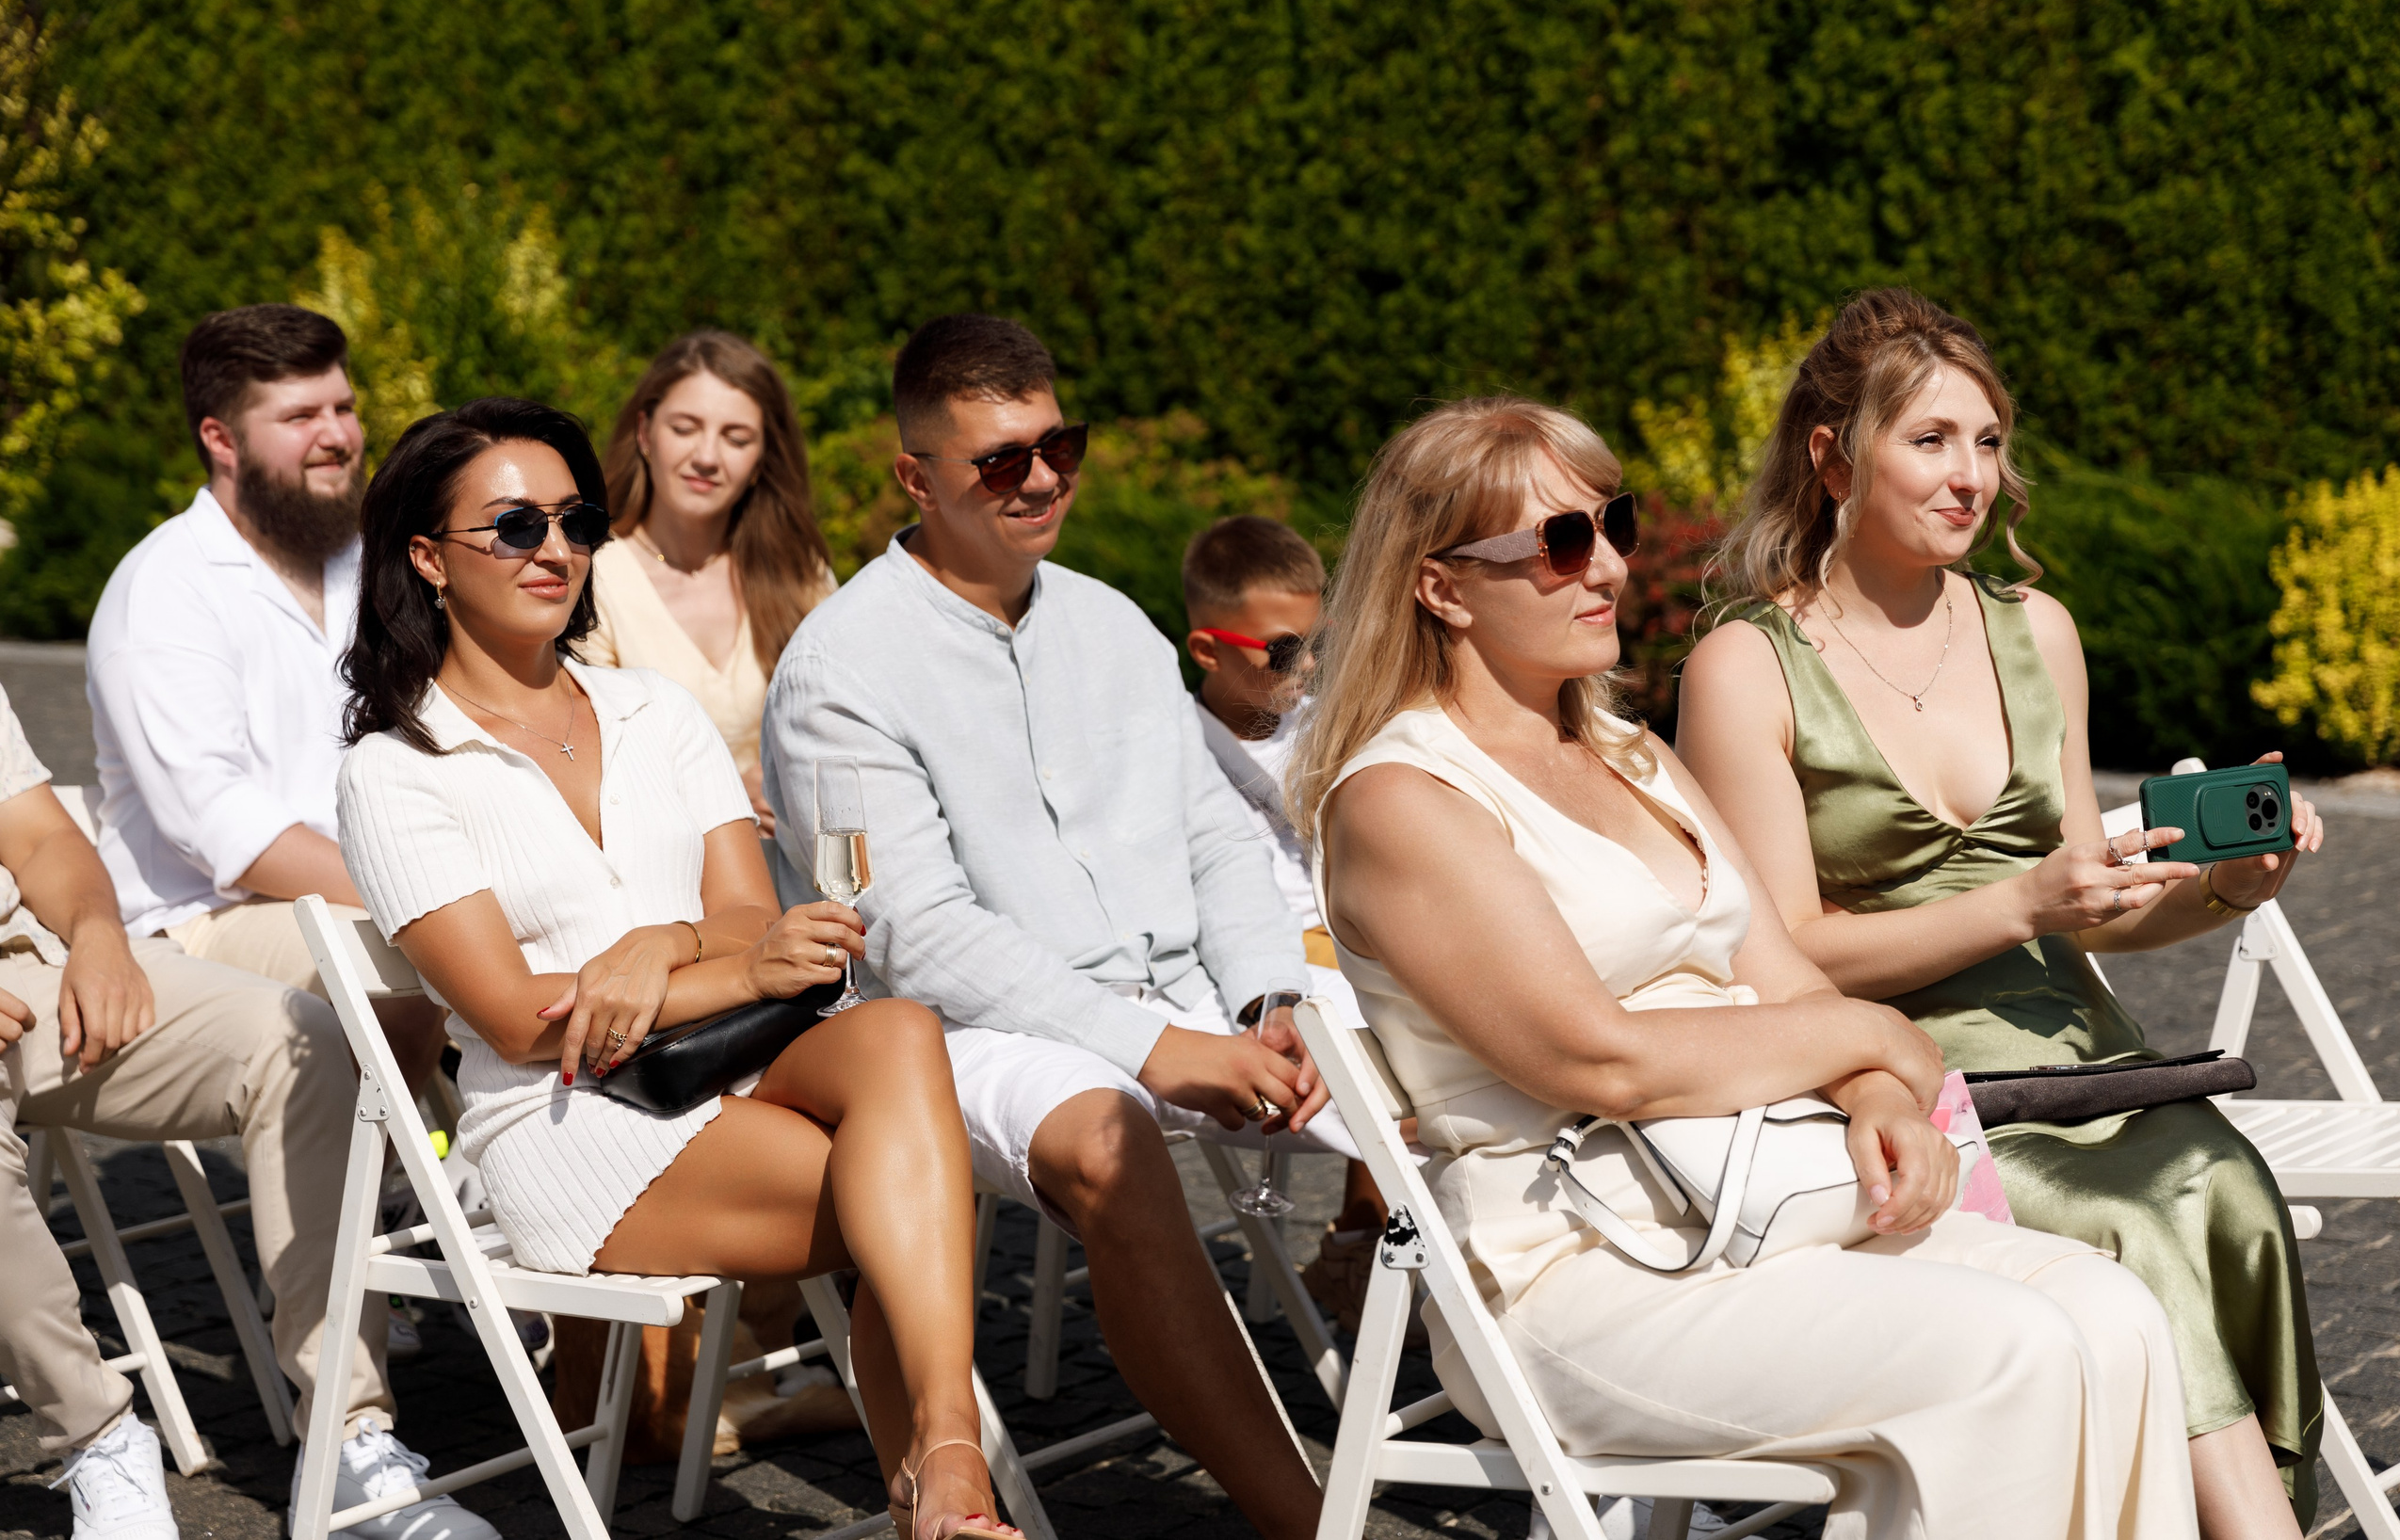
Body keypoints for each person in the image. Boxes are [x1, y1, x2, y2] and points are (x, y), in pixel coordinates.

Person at [1296, 394, 2197, 1539]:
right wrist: (1877, 1042)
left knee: (2114, 1312)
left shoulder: (1630, 753)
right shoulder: (1404, 801)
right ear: (1441, 587)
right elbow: (1598, 1058)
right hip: (1583, 1271)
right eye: (1561, 544)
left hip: (1764, 1202)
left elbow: (1792, 984)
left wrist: (1883, 1098)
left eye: (1612, 524)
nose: (1609, 566)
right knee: (2009, 1352)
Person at [1676, 289, 2321, 1537]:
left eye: (1988, 440)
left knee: (2222, 1186)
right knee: (2123, 1227)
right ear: (1830, 456)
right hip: (1888, 1076)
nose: (1972, 475)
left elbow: (2090, 911)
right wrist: (2020, 895)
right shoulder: (1746, 661)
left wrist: (2228, 884)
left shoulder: (2041, 631)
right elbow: (1784, 950)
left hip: (2086, 1058)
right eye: (1930, 440)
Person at [334, 396, 1014, 1540]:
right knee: (912, 1184)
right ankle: (947, 1477)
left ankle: (943, 1464)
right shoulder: (398, 769)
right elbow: (518, 1020)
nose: (553, 550)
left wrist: (657, 948)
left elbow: (752, 921)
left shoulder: (657, 712)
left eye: (574, 521)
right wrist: (730, 967)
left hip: (729, 1064)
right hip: (569, 1121)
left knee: (901, 1038)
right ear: (427, 559)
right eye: (512, 527)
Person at [763, 314, 1352, 1540]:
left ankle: (1579, 1428)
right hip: (949, 1028)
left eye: (1056, 446)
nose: (1039, 478)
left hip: (1192, 989)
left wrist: (1268, 1000)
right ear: (915, 479)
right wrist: (1151, 1046)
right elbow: (911, 932)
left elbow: (1216, 839)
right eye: (998, 459)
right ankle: (1307, 1517)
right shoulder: (839, 667)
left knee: (1432, 1066)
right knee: (1107, 1131)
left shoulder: (1115, 624)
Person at [0, 685, 480, 1540]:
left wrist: (100, 935)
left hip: (35, 966)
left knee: (302, 1038)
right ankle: (99, 1436)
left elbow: (36, 833)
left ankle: (347, 1437)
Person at [85, 305, 445, 1090]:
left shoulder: (370, 563)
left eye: (344, 408)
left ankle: (506, 1171)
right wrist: (422, 885)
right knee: (429, 955)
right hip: (196, 924)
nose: (339, 435)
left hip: (364, 884)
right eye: (301, 416)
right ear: (221, 438)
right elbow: (221, 828)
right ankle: (406, 1183)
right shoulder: (163, 590)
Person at [1180, 516, 1391, 1324]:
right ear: (1208, 650)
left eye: (1316, 644)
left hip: (1348, 941)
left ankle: (1368, 1241)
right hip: (1252, 966)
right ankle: (1376, 1248)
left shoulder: (1331, 727)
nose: (1305, 668)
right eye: (1280, 650)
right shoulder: (1171, 745)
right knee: (1390, 1025)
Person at [588, 330, 837, 836]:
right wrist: (722, 793)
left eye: (736, 438)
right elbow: (584, 765)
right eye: (685, 428)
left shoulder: (800, 572)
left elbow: (850, 729)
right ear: (644, 434)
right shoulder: (591, 577)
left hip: (800, 874)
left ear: (761, 459)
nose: (707, 456)